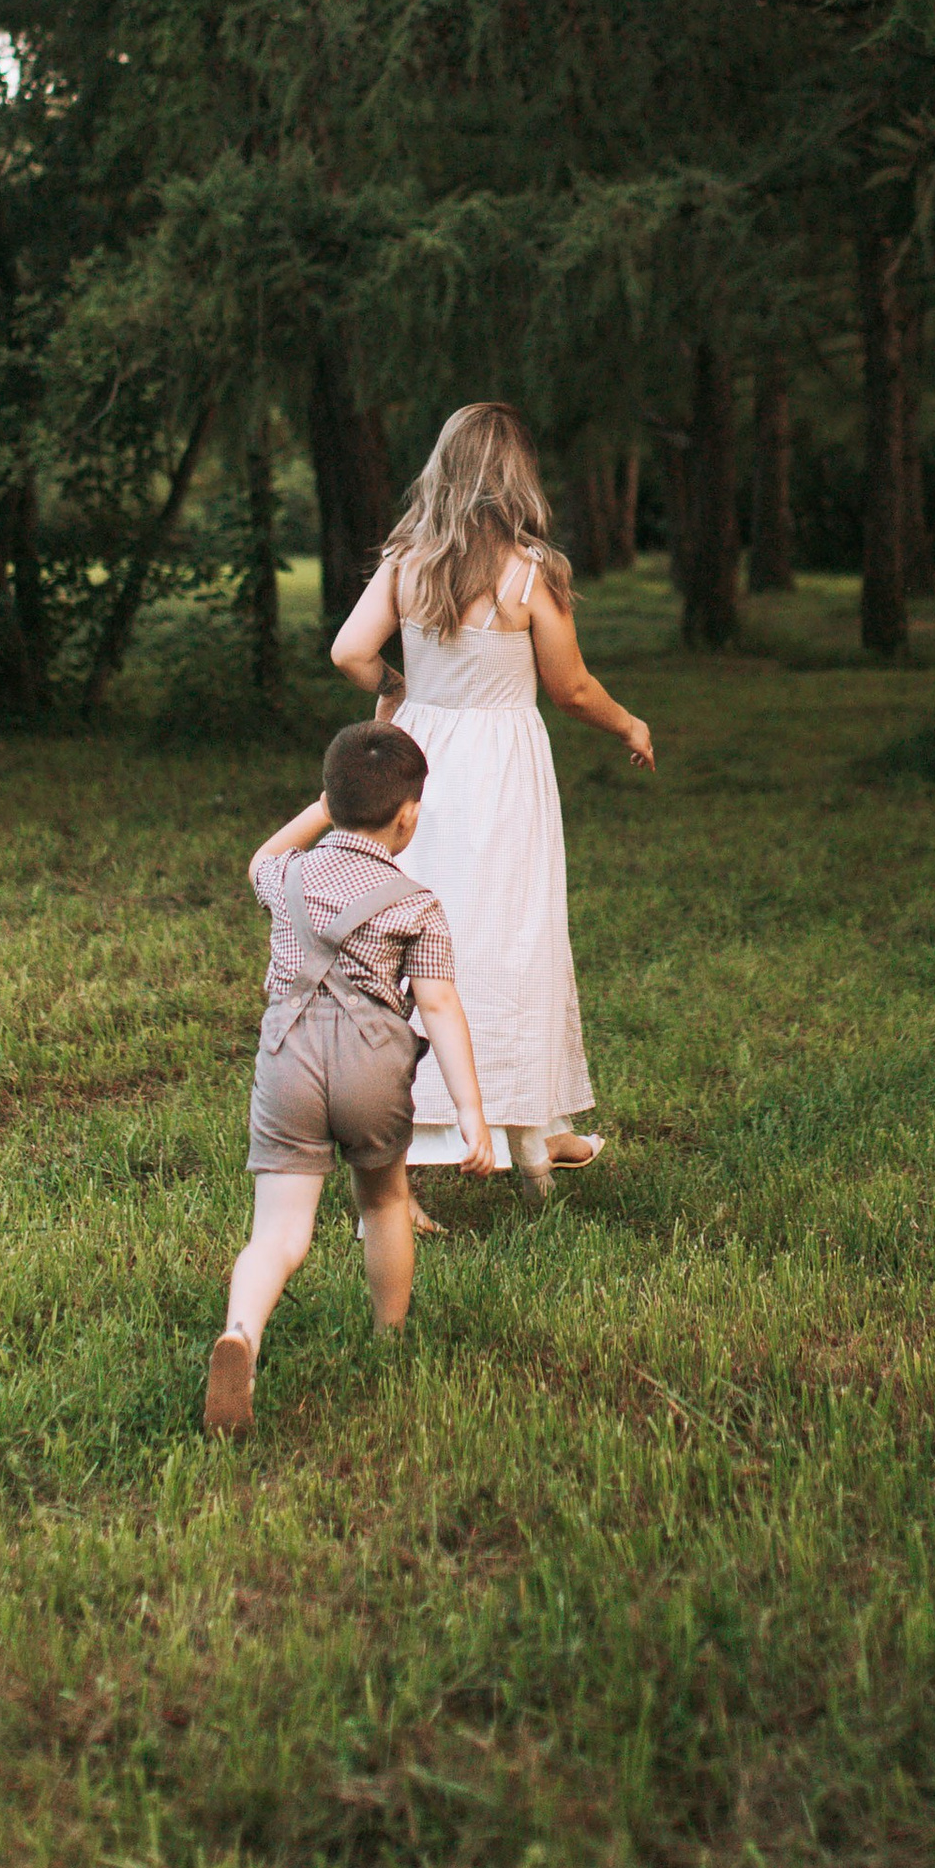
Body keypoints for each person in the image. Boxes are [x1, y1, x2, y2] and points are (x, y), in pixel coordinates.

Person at [255, 399, 654, 1212]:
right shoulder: (528, 572)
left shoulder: (409, 558)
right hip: (504, 770)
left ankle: (404, 1147)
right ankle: (531, 1138)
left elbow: (348, 651)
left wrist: (401, 690)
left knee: (415, 942)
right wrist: (629, 721)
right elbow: (570, 688)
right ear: (516, 479)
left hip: (424, 762)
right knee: (512, 937)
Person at [206, 718, 495, 1439]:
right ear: (409, 815)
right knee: (385, 1200)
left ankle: (241, 1333)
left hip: (289, 1058)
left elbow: (261, 857)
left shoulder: (285, 875)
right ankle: (388, 1343)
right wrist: (470, 1113)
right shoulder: (417, 903)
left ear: (329, 804)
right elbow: (439, 1005)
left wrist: (323, 808)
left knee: (277, 1229)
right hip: (372, 1062)